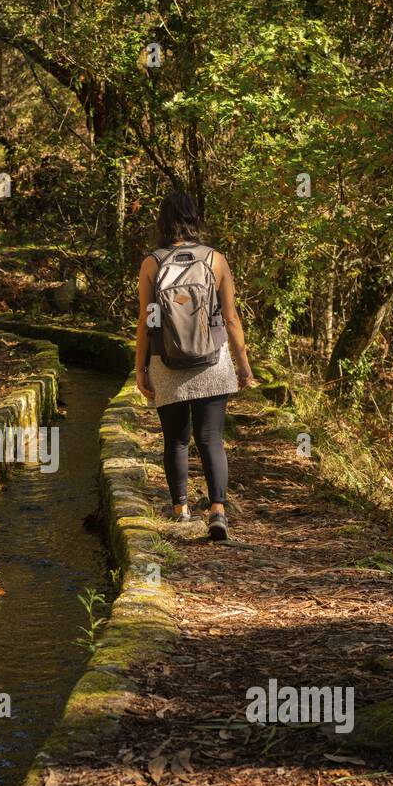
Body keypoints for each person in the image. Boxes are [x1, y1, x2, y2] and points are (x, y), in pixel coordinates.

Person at [135, 190, 255, 541]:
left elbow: (145, 321)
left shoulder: (152, 263)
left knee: (175, 440)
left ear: (163, 220)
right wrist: (244, 367)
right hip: (213, 362)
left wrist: (140, 368)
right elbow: (231, 319)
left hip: (166, 362)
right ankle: (218, 510)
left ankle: (181, 511)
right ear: (194, 218)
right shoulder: (215, 259)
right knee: (211, 439)